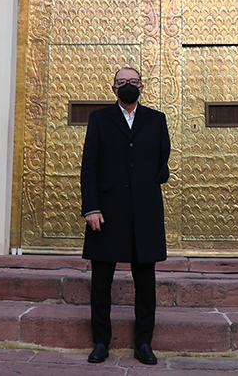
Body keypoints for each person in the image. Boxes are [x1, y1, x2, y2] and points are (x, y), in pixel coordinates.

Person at [80, 67, 171, 365]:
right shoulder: (98, 119)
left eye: (133, 81)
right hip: (105, 212)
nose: (127, 85)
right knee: (101, 282)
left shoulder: (156, 120)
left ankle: (144, 343)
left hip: (144, 212)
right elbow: (89, 166)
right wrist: (91, 207)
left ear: (142, 87)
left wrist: (149, 182)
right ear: (113, 88)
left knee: (145, 282)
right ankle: (101, 342)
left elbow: (163, 158)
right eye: (122, 82)